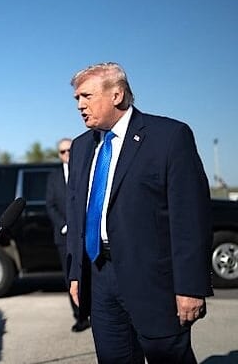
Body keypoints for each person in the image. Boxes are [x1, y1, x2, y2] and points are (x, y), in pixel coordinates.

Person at [66, 62, 212, 363]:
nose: (80, 105)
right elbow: (76, 214)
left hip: (155, 282)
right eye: (77, 98)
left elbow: (190, 219)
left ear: (117, 95)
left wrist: (191, 287)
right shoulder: (81, 148)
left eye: (87, 96)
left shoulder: (169, 137)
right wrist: (75, 274)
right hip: (99, 277)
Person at [45, 137, 91, 333]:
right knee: (71, 277)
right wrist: (64, 225)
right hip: (64, 237)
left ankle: (97, 313)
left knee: (93, 275)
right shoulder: (53, 177)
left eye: (70, 150)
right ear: (59, 155)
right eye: (63, 152)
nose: (67, 155)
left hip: (88, 234)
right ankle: (80, 317)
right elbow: (50, 205)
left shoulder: (86, 171)